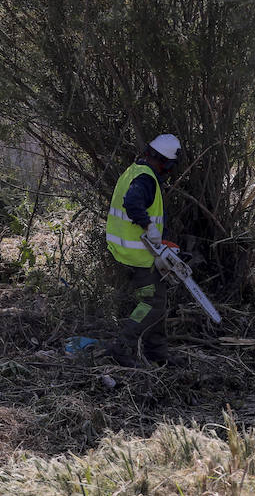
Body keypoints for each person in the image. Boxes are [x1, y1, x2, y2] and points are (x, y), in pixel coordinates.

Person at [104, 133, 180, 366]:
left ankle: (157, 352)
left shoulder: (133, 170)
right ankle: (122, 347)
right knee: (151, 304)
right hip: (138, 256)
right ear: (166, 163)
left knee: (158, 301)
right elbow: (132, 202)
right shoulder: (145, 179)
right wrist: (148, 226)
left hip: (126, 251)